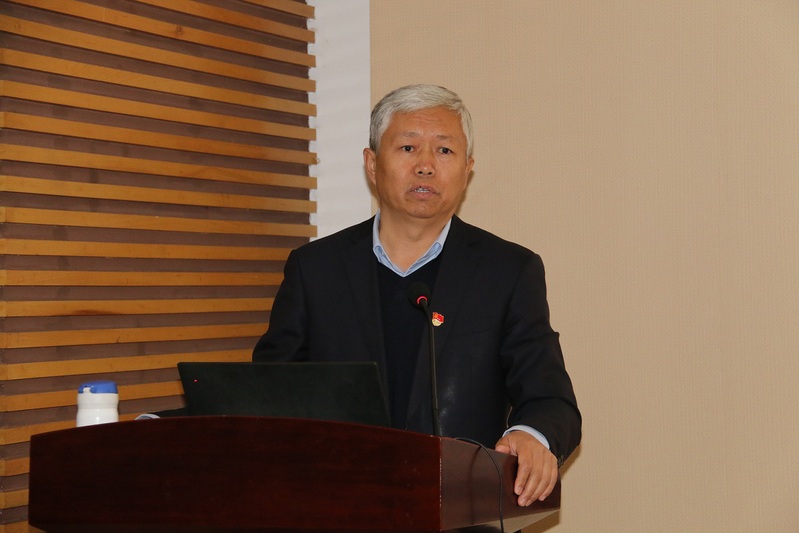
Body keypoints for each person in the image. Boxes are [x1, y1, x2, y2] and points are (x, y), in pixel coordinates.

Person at [253, 84, 580, 506]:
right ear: (372, 164)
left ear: (467, 169)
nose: (425, 166)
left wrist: (530, 435)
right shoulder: (315, 269)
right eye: (408, 147)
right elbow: (267, 394)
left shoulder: (508, 271)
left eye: (444, 150)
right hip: (338, 507)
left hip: (461, 511)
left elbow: (550, 398)